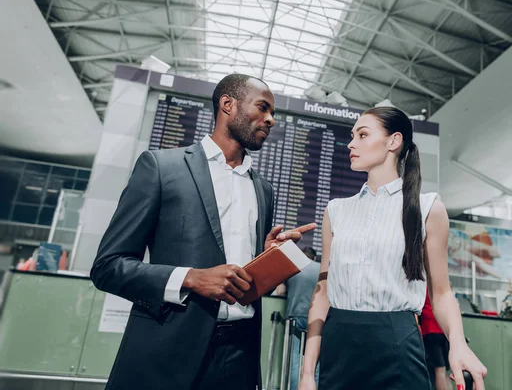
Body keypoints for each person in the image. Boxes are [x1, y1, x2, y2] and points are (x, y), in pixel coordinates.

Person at [90, 73, 315, 390]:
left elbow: (244, 283)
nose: (271, 120)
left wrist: (267, 258)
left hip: (238, 358)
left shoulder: (263, 190)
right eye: (263, 108)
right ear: (228, 104)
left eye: (273, 113)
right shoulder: (161, 167)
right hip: (166, 355)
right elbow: (107, 267)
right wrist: (190, 278)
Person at [298, 106, 487, 390]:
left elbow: (442, 292)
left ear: (393, 141)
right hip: (339, 346)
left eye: (362, 134)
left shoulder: (427, 208)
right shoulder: (336, 211)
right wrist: (307, 373)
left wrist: (457, 344)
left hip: (398, 344)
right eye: (352, 136)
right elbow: (322, 292)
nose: (351, 143)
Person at [276, 246, 321, 390]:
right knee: (314, 360)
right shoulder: (321, 269)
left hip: (295, 316)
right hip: (316, 319)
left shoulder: (292, 269)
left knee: (294, 358)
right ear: (314, 257)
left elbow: (280, 291)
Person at [422, 288, 452, 390]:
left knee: (439, 370)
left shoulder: (423, 284)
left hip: (430, 330)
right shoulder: (441, 285)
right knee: (444, 371)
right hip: (443, 330)